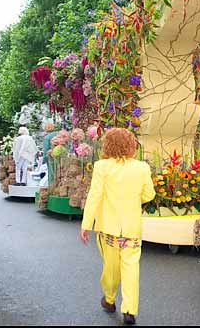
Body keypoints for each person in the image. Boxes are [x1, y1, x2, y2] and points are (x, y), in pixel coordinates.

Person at [79, 128, 156, 325]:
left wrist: (86, 224)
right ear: (131, 145)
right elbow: (149, 195)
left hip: (108, 229)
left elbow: (95, 196)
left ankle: (110, 299)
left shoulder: (101, 166)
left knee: (111, 269)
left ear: (107, 145)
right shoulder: (142, 168)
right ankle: (130, 309)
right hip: (131, 229)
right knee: (131, 269)